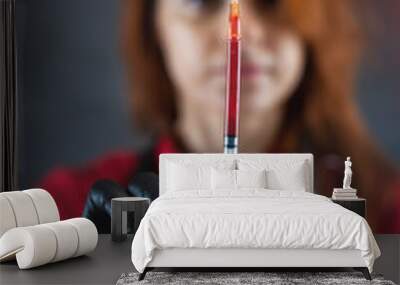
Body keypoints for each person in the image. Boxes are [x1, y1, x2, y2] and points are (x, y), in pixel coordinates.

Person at [40, 0, 400, 233]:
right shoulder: (65, 205)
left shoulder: (387, 208)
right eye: (199, 2)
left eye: (272, 3)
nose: (242, 36)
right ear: (155, 28)